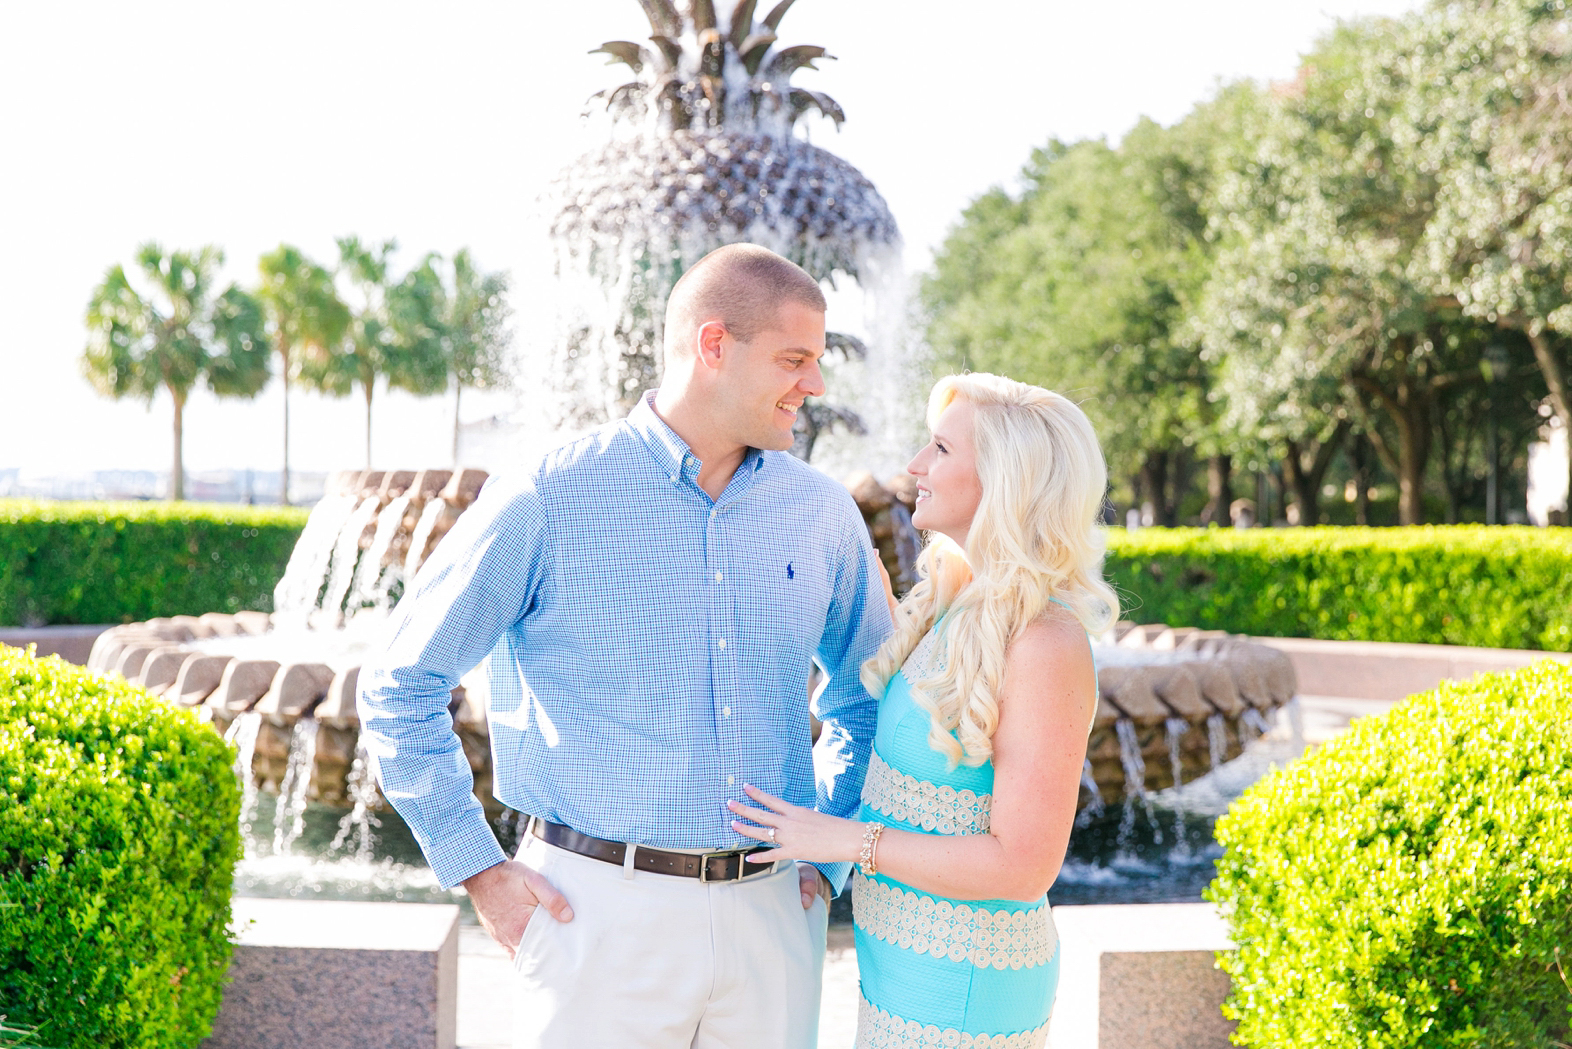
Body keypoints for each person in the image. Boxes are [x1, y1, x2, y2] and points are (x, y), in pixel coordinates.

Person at [356, 243, 892, 1048]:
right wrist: (479, 870)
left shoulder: (822, 513)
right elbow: (400, 682)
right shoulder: (548, 493)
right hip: (594, 915)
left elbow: (868, 695)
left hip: (777, 915)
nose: (814, 385)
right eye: (794, 359)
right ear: (713, 346)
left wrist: (828, 852)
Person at [728, 373, 1115, 1048]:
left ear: (1005, 477)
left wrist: (843, 841)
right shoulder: (955, 598)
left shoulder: (1046, 641)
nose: (913, 467)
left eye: (940, 448)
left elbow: (1024, 862)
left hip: (965, 983)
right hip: (903, 963)